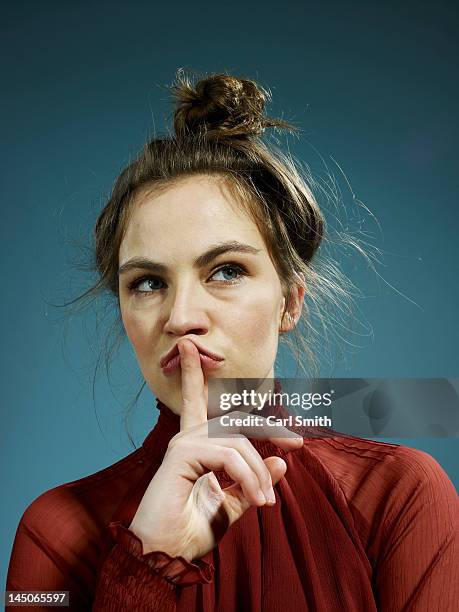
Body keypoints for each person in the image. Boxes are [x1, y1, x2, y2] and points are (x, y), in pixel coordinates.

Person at [6, 70, 458, 611]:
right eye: (148, 283)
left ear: (290, 300)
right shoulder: (54, 532)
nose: (182, 317)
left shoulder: (398, 493)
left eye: (225, 271)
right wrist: (149, 563)